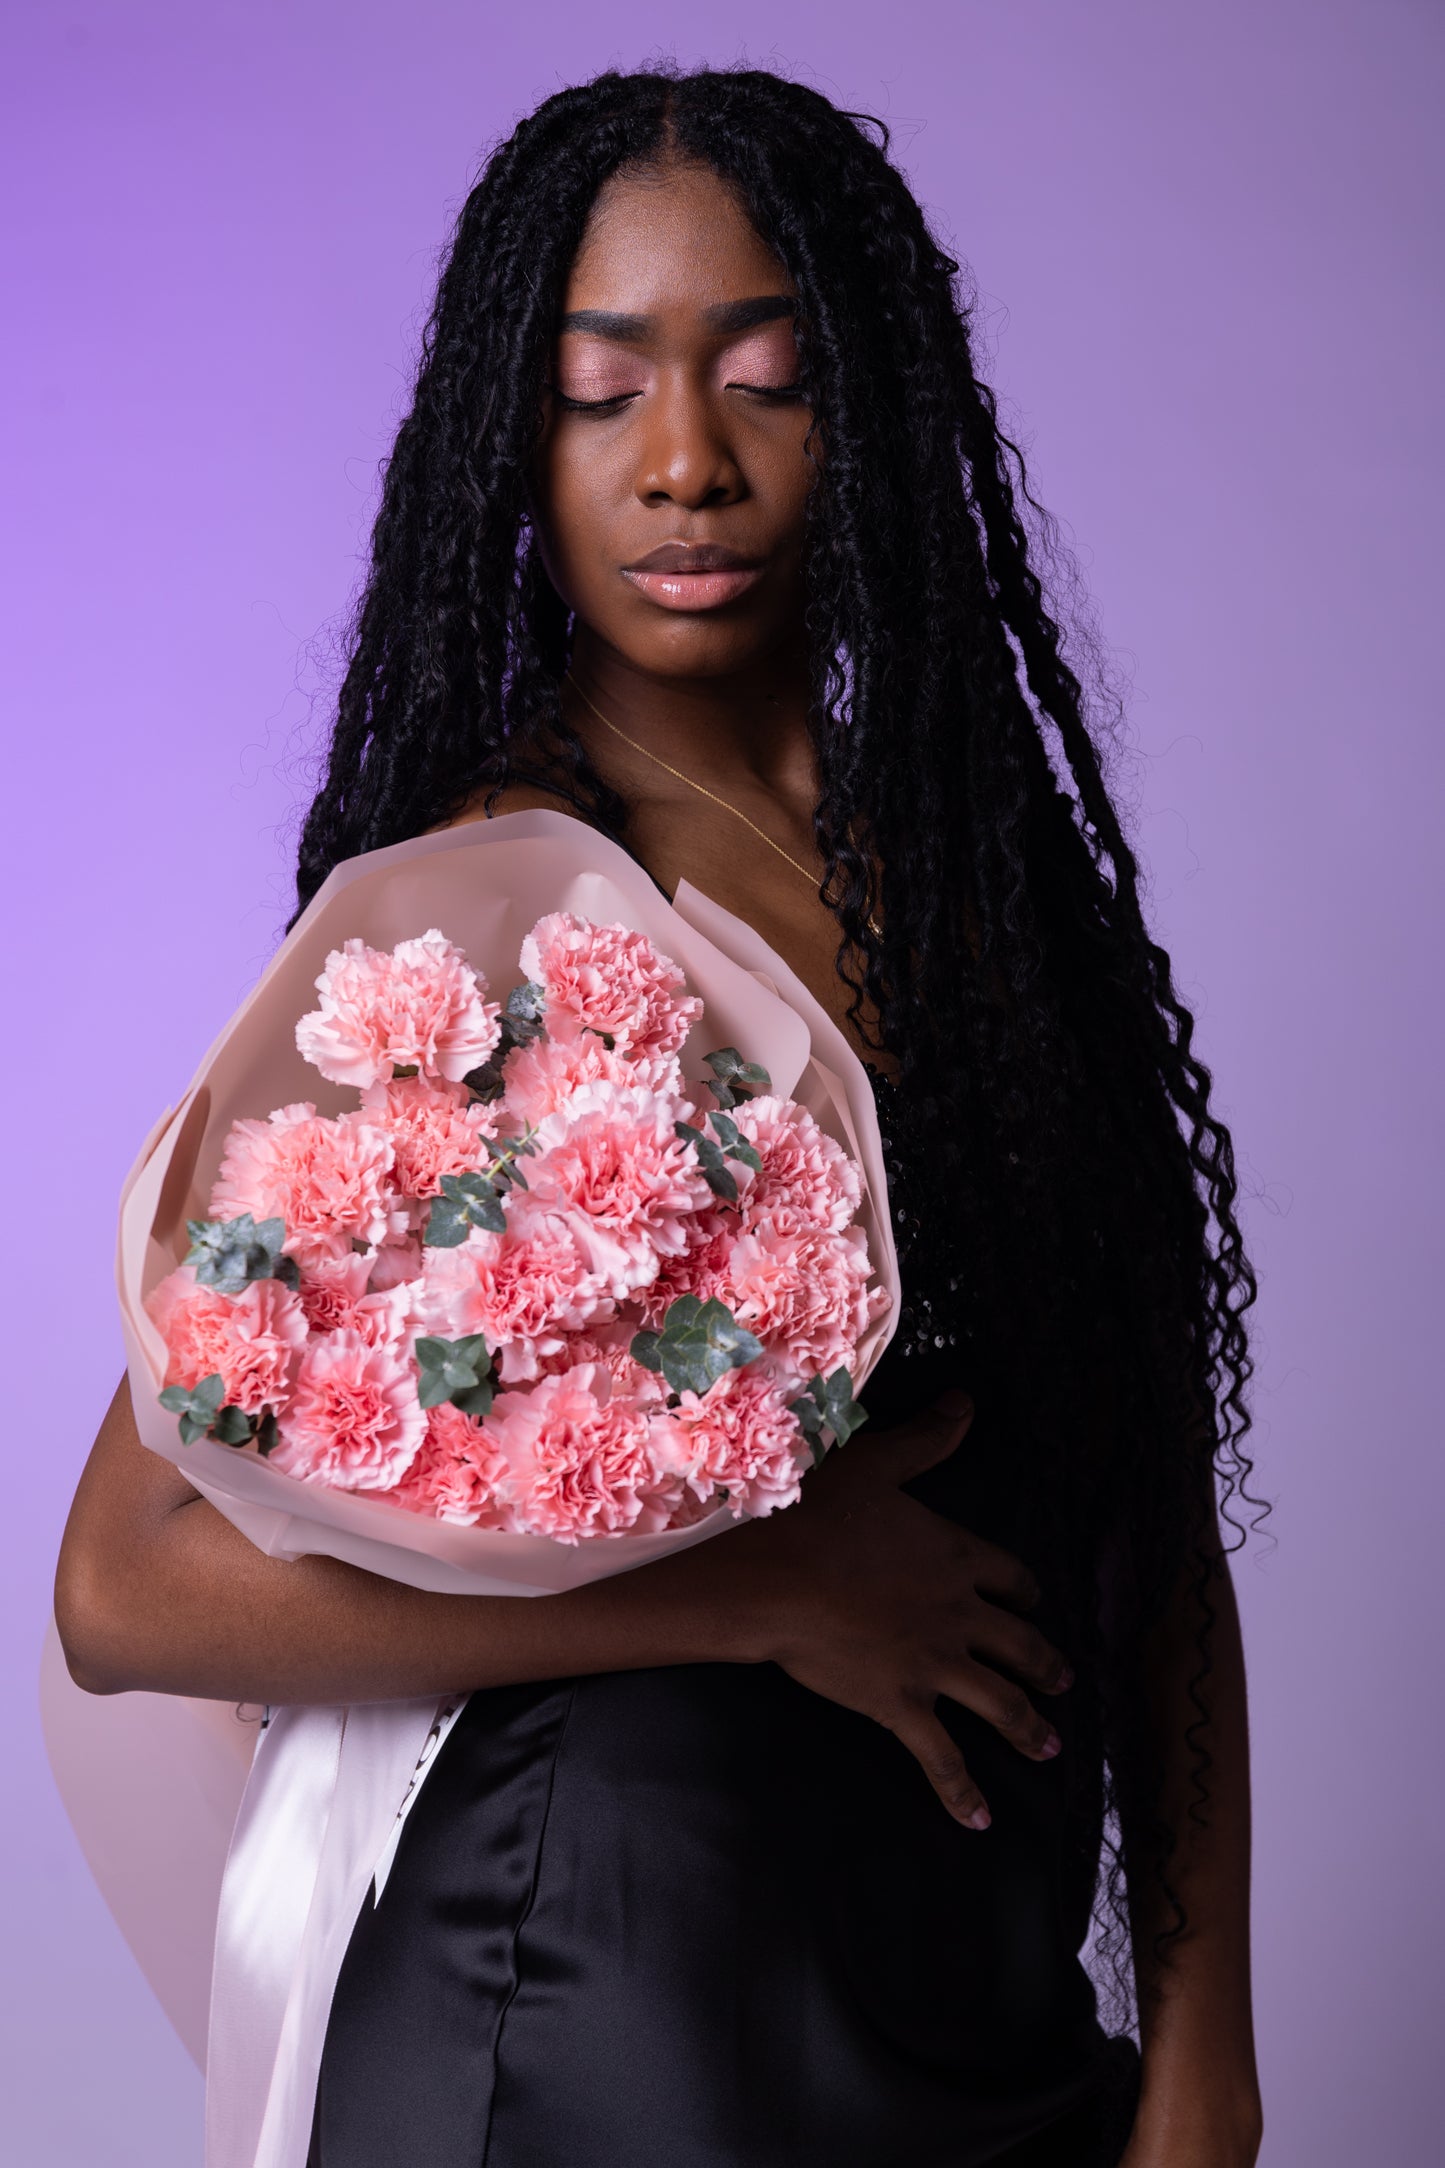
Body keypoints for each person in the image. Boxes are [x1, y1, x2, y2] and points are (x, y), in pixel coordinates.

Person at [55, 64, 1264, 2168]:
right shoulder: (499, 912)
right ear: (514, 449)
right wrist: (760, 1587)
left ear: (861, 415)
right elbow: (126, 1582)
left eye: (765, 382)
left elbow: (1143, 1491)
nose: (686, 465)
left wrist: (1198, 2036)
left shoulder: (985, 892)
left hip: (964, 2015)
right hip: (592, 1996)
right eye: (602, 394)